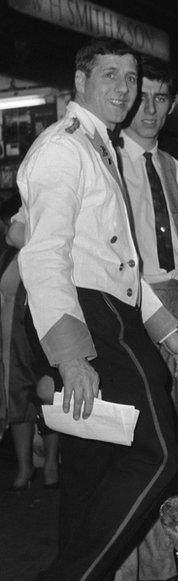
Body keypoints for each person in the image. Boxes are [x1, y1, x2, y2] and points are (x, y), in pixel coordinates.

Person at [9, 37, 178, 581]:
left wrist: (168, 332)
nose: (124, 87)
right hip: (86, 317)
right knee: (160, 452)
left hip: (110, 307)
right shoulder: (63, 148)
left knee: (92, 471)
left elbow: (121, 262)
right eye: (111, 75)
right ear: (80, 78)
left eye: (132, 77)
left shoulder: (101, 148)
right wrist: (69, 354)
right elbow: (43, 254)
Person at [108, 55, 178, 581]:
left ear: (171, 106)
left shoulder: (170, 166)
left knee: (167, 441)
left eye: (160, 98)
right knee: (134, 447)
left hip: (173, 298)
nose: (149, 108)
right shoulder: (106, 158)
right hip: (128, 301)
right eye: (140, 96)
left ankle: (158, 570)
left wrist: (172, 279)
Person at [2, 198, 60, 492]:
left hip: (44, 330)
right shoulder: (7, 255)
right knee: (18, 400)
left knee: (48, 397)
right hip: (12, 336)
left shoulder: (50, 248)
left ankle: (50, 464)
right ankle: (25, 467)